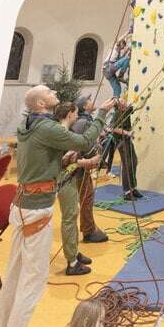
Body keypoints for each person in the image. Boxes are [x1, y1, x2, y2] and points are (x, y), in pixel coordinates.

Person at [0, 85, 119, 327]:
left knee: (13, 278)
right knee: (32, 285)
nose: (53, 91)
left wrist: (60, 161)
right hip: (36, 211)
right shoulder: (45, 127)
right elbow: (84, 142)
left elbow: (37, 163)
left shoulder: (29, 126)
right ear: (39, 103)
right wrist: (103, 115)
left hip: (23, 206)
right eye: (47, 91)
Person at [53, 102, 100, 275]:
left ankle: (73, 253)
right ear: (70, 114)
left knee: (72, 217)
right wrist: (86, 162)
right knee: (69, 219)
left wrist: (75, 159)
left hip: (69, 178)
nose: (78, 115)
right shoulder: (61, 133)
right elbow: (60, 162)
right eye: (76, 113)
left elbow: (65, 159)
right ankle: (72, 263)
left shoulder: (63, 132)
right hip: (64, 180)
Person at [70, 99, 109, 245]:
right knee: (86, 197)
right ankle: (88, 230)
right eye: (89, 101)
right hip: (79, 169)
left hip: (80, 167)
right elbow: (83, 144)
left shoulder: (86, 121)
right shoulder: (82, 123)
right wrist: (90, 158)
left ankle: (89, 227)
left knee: (87, 196)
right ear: (85, 106)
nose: (93, 102)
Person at [98, 100, 141, 200]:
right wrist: (127, 132)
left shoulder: (127, 109)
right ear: (120, 106)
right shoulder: (118, 113)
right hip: (121, 141)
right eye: (123, 101)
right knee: (127, 164)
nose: (126, 102)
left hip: (127, 140)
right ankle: (127, 191)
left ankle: (133, 188)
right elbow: (113, 128)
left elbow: (137, 106)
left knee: (134, 161)